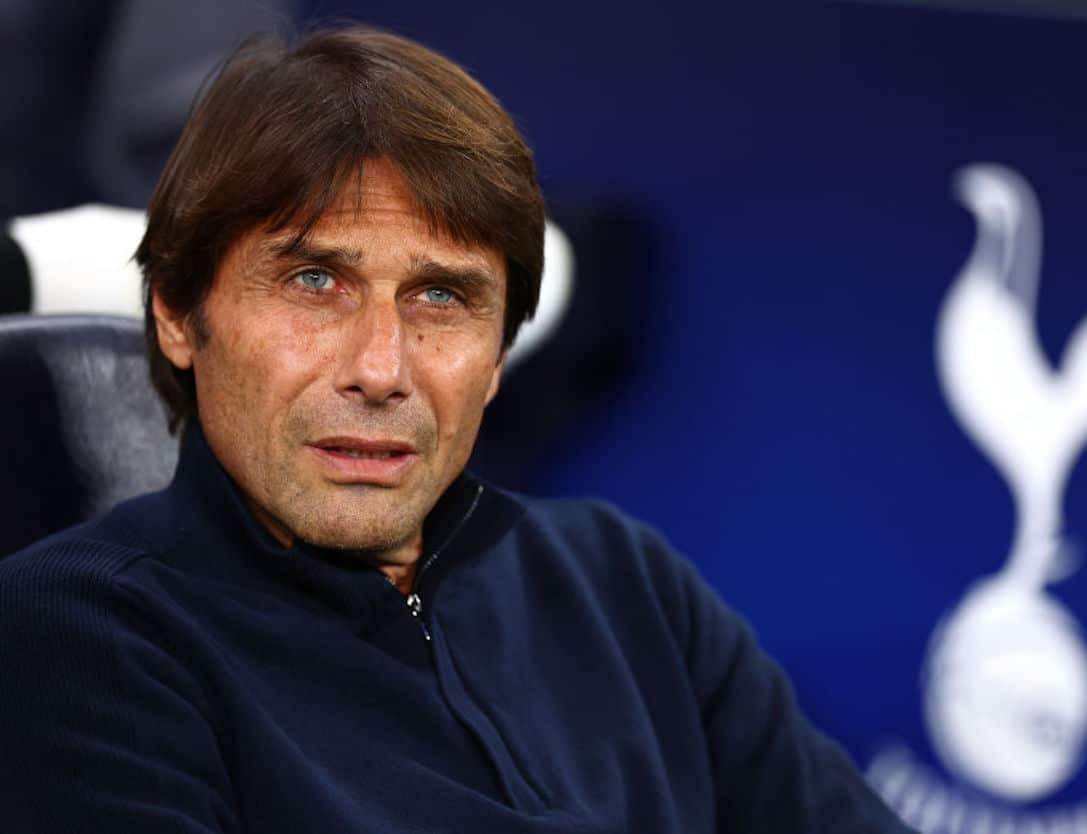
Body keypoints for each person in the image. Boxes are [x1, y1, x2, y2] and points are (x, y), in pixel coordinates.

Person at [0, 25, 914, 833]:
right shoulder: (77, 635)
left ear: (501, 352)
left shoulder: (619, 581)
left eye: (442, 297)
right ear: (175, 313)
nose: (381, 369)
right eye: (314, 282)